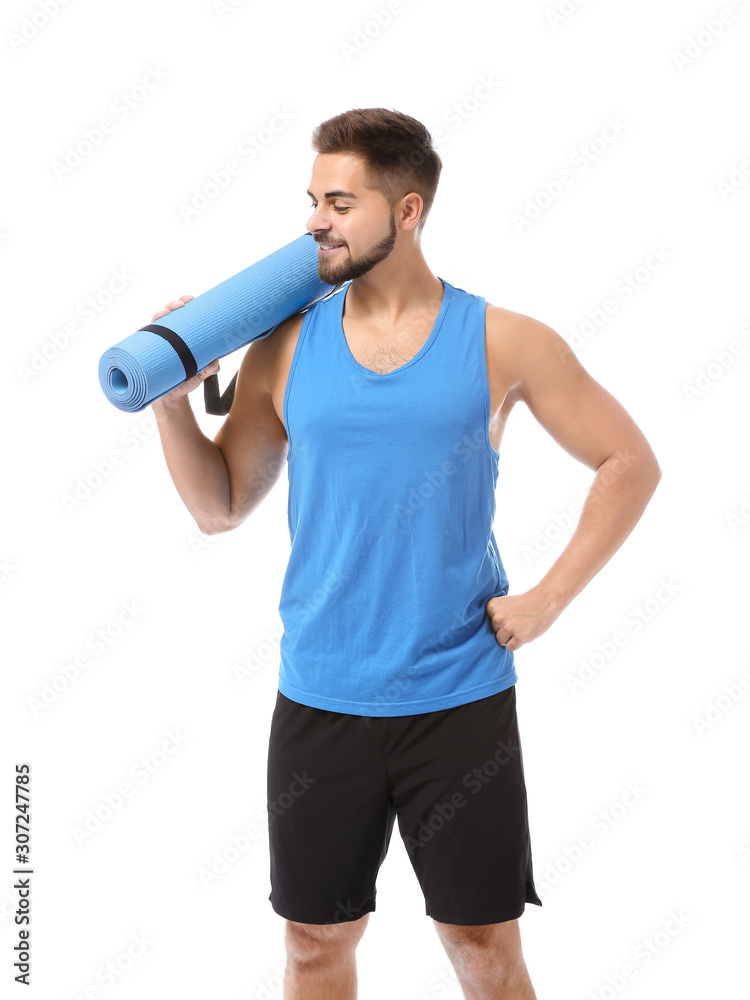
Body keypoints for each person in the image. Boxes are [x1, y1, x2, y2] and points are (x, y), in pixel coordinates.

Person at [151, 108, 661, 1000]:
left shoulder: (505, 339)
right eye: (312, 200)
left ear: (409, 209)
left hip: (457, 698)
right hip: (320, 695)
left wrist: (545, 599)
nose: (316, 220)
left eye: (340, 202)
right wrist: (171, 403)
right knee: (314, 945)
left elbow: (630, 463)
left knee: (480, 947)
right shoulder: (286, 343)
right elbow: (219, 506)